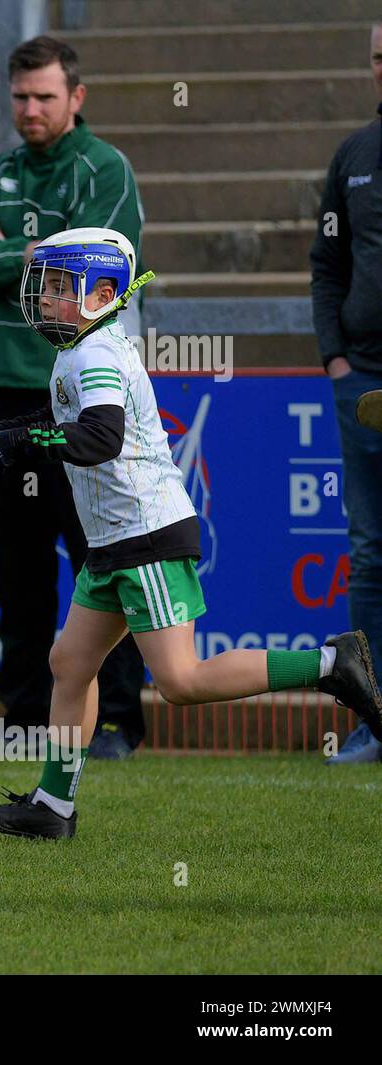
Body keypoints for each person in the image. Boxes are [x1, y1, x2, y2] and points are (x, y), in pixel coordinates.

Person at [0, 228, 382, 839]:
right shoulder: (78, 349)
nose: (46, 299)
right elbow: (74, 425)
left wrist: (23, 443)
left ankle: (329, 663)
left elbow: (100, 437)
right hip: (112, 543)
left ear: (104, 293)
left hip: (145, 537)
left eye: (60, 288)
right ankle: (53, 809)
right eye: (45, 287)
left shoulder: (96, 353)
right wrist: (9, 434)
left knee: (180, 681)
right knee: (70, 663)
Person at [0, 36, 147, 759]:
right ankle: (25, 727)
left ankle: (115, 721)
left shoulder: (106, 168)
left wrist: (11, 252)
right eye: (21, 97)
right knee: (16, 572)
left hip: (75, 388)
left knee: (102, 555)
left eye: (45, 97)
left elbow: (102, 265)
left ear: (76, 98)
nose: (30, 109)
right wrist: (36, 255)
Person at [310, 22, 382, 766]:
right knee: (370, 555)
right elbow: (326, 263)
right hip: (361, 380)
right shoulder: (354, 156)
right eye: (378, 58)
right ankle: (376, 723)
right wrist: (335, 358)